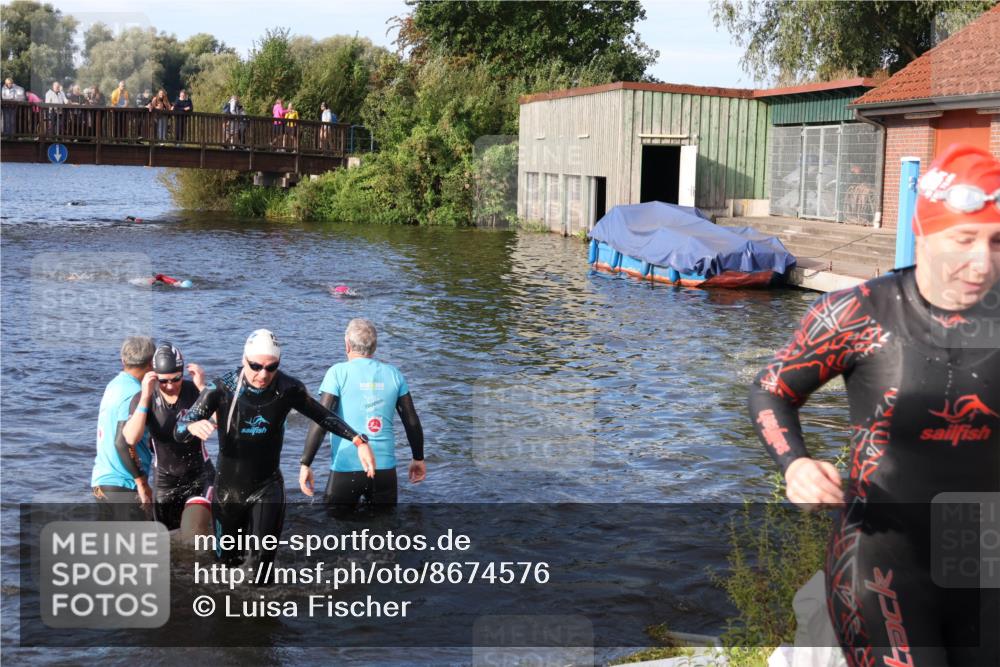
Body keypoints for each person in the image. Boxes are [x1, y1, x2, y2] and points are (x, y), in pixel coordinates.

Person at [749, 143, 1000, 667]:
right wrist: (794, 463)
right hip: (883, 563)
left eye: (997, 242)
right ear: (924, 233)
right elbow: (772, 389)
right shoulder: (857, 314)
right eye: (965, 239)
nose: (982, 261)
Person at [175, 329, 375, 573]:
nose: (263, 374)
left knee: (263, 571)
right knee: (226, 569)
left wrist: (359, 440)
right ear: (244, 360)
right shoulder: (221, 388)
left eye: (271, 367)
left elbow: (322, 415)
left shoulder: (288, 388)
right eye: (256, 366)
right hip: (229, 492)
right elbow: (179, 430)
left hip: (267, 487)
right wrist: (192, 425)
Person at [300, 318, 425, 515]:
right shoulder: (394, 374)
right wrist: (418, 458)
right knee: (384, 532)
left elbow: (321, 419)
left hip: (346, 467)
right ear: (374, 347)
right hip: (384, 469)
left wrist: (306, 463)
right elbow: (411, 420)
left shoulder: (337, 373)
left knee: (334, 532)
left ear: (347, 345)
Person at [119, 343, 212, 532]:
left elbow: (225, 422)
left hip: (199, 476)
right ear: (154, 375)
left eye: (175, 379)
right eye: (163, 381)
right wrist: (145, 396)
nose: (169, 386)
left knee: (194, 531)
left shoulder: (194, 391)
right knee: (167, 541)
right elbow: (130, 438)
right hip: (165, 480)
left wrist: (204, 389)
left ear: (182, 373)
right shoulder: (145, 397)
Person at [91, 336, 156, 521]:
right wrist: (141, 481)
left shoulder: (114, 385)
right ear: (151, 364)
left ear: (123, 360)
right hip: (123, 484)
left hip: (101, 483)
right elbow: (122, 442)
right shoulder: (135, 394)